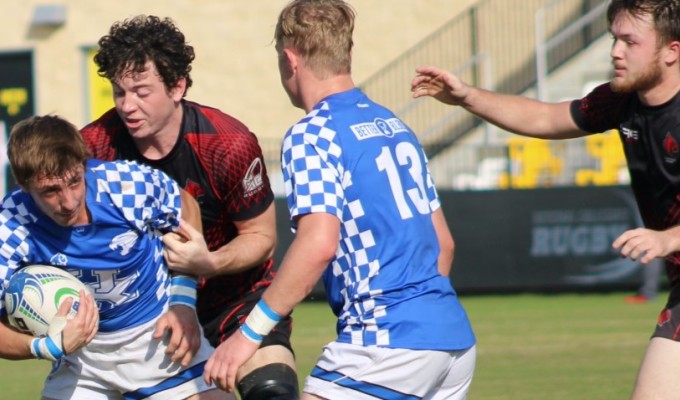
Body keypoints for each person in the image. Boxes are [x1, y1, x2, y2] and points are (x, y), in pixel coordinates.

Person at [204, 1, 477, 398]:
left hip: (387, 341)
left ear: (289, 59)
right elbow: (443, 245)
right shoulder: (394, 126)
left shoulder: (313, 134)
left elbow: (318, 244)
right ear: (347, 54)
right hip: (452, 339)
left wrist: (249, 334)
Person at [411, 0, 680, 398]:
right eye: (613, 39)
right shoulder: (623, 101)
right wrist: (467, 96)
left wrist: (667, 239)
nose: (615, 51)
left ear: (672, 51)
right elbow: (544, 118)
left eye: (629, 41)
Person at [80, 15, 299, 400]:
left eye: (141, 91)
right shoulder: (95, 148)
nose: (127, 105)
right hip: (148, 315)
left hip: (233, 302)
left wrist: (208, 263)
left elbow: (262, 237)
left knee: (273, 390)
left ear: (177, 86)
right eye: (118, 92)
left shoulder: (227, 143)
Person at [0, 115, 230, 399]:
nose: (69, 202)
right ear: (24, 185)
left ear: (83, 166)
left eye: (74, 182)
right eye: (50, 191)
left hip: (159, 339)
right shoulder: (10, 223)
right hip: (81, 360)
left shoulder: (125, 185)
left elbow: (184, 204)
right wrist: (46, 347)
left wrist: (183, 301)